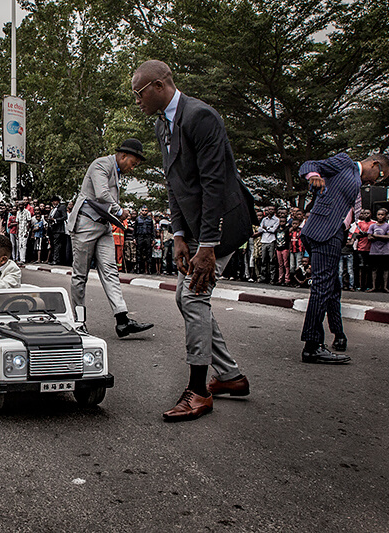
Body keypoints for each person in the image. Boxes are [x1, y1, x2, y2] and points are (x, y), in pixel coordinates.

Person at [133, 59, 256, 422]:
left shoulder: (201, 117)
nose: (136, 100)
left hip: (221, 226)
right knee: (184, 296)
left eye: (139, 93)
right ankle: (231, 376)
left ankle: (199, 391)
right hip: (196, 229)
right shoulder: (162, 125)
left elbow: (215, 184)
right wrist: (180, 235)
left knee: (193, 295)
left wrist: (207, 245)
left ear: (158, 86)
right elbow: (175, 185)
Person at [298, 152, 389, 363]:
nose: (375, 181)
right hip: (325, 231)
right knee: (322, 287)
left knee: (332, 286)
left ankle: (339, 335)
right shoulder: (345, 163)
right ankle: (312, 346)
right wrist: (313, 175)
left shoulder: (354, 181)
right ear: (374, 164)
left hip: (331, 233)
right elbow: (309, 162)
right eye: (380, 174)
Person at [66, 138, 153, 338]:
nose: (133, 168)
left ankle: (122, 321)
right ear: (123, 156)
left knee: (110, 271)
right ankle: (79, 322)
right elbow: (102, 193)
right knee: (80, 276)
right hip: (85, 225)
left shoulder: (116, 171)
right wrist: (120, 210)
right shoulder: (101, 165)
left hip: (103, 225)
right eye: (133, 163)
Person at [367, 208, 389, 292]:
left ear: (385, 216)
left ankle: (385, 287)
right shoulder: (373, 226)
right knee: (374, 269)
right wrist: (381, 237)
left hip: (385, 251)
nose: (380, 216)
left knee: (385, 269)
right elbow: (369, 237)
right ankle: (374, 287)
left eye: (382, 214)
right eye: (379, 214)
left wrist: (376, 236)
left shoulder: (388, 226)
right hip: (374, 251)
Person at [257, 205, 279, 284]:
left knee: (271, 260)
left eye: (272, 209)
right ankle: (263, 277)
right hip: (264, 240)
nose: (270, 211)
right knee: (263, 260)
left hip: (271, 241)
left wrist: (266, 228)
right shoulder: (264, 219)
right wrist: (267, 228)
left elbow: (274, 230)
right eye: (269, 209)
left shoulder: (276, 220)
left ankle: (272, 278)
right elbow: (260, 229)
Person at [47, 195, 68, 265]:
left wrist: (55, 220)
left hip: (59, 229)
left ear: (58, 201)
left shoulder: (62, 207)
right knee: (52, 245)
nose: (53, 202)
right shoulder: (52, 209)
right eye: (53, 201)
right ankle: (55, 259)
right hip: (52, 229)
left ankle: (56, 260)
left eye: (55, 201)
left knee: (57, 245)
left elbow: (65, 217)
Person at [135, 205, 154, 274]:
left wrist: (153, 239)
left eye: (145, 210)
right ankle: (139, 269)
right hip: (140, 237)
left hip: (148, 237)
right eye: (143, 210)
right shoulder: (138, 219)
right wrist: (134, 238)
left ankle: (149, 269)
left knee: (148, 254)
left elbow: (152, 230)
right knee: (139, 253)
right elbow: (135, 229)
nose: (144, 212)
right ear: (141, 211)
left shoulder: (150, 219)